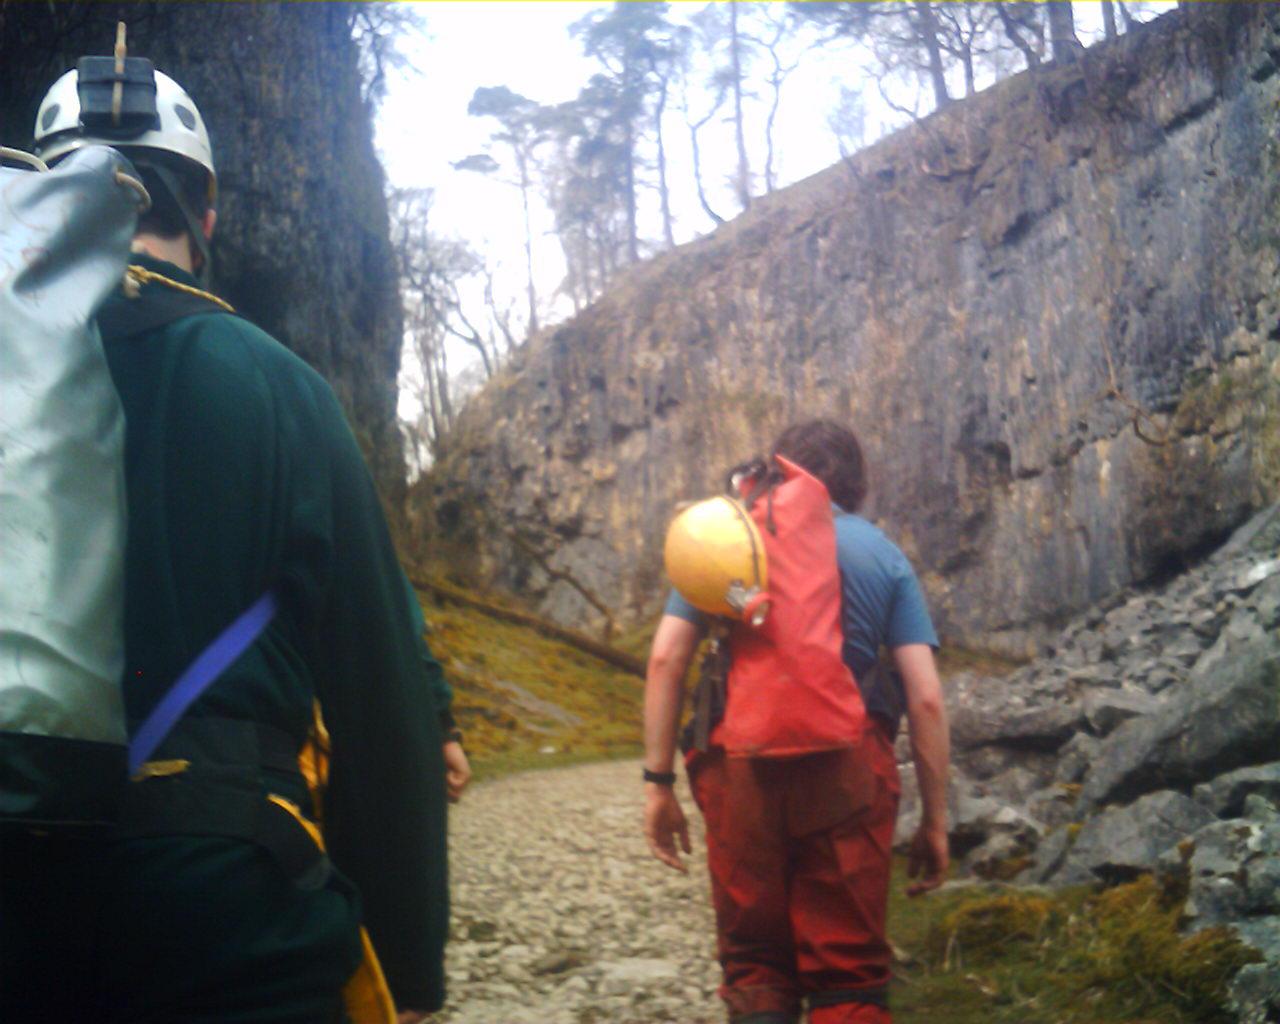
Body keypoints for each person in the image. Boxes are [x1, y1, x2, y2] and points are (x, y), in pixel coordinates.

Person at [0, 58, 468, 1023]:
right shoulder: (280, 386)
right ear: (204, 218)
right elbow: (380, 694)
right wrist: (411, 963)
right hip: (229, 905)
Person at [643, 419, 951, 1024]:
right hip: (847, 773)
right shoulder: (883, 555)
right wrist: (937, 823)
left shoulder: (727, 539)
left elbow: (664, 660)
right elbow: (927, 700)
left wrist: (658, 784)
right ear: (855, 485)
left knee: (755, 964)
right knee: (849, 976)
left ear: (778, 468)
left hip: (739, 771)